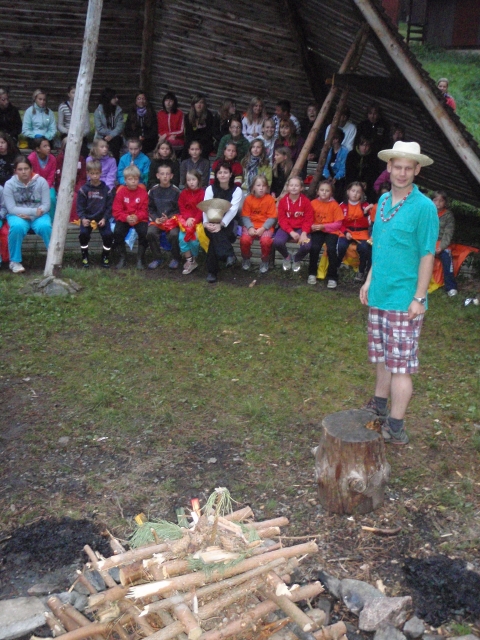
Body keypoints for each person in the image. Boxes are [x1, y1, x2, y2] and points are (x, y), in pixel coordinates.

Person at [360, 140, 438, 445]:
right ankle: (379, 406)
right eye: (397, 167)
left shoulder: (425, 208)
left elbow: (427, 255)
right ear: (389, 167)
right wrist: (369, 280)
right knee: (382, 358)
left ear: (417, 170)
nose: (402, 173)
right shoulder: (381, 202)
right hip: (379, 294)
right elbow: (379, 247)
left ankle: (396, 426)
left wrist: (419, 298)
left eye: (408, 168)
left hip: (405, 301)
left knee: (401, 367)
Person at [3, 156, 52, 273]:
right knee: (17, 227)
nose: (23, 172)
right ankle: (15, 261)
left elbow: (46, 204)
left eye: (26, 168)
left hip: (39, 215)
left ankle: (53, 258)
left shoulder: (41, 182)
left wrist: (33, 215)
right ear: (15, 171)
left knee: (45, 226)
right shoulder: (9, 184)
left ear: (31, 169)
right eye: (20, 169)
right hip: (18, 215)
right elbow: (11, 208)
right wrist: (32, 212)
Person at [200, 162, 243, 283]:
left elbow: (233, 210)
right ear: (216, 175)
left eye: (225, 172)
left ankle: (212, 272)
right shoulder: (210, 189)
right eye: (220, 172)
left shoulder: (237, 190)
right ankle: (229, 255)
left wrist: (221, 224)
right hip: (211, 220)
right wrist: (206, 223)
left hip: (228, 223)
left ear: (230, 174)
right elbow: (206, 207)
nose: (223, 175)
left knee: (216, 236)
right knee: (214, 232)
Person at [77, 159, 114, 268]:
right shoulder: (84, 190)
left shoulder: (106, 189)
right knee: (83, 235)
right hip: (88, 218)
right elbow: (80, 207)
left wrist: (105, 218)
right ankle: (84, 256)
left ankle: (105, 256)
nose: (95, 176)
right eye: (92, 173)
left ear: (101, 173)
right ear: (88, 173)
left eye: (97, 173)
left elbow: (109, 207)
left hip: (102, 218)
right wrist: (83, 218)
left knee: (108, 235)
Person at [273, 175, 313, 273]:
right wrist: (291, 232)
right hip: (286, 228)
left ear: (301, 188)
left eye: (296, 185)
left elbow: (308, 219)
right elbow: (282, 220)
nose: (294, 187)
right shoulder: (283, 201)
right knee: (277, 242)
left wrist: (304, 233)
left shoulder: (306, 202)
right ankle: (287, 256)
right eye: (291, 185)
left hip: (301, 228)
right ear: (287, 187)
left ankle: (296, 258)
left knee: (307, 245)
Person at [112, 164, 149, 269]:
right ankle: (122, 257)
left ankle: (140, 258)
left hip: (139, 218)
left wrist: (137, 217)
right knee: (118, 232)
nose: (133, 181)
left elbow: (145, 210)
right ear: (125, 180)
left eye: (136, 179)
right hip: (125, 218)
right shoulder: (121, 193)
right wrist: (126, 217)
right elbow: (116, 210)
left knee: (144, 232)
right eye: (130, 179)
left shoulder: (143, 193)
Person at [307, 180, 343, 288]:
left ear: (331, 193)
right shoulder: (313, 203)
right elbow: (307, 219)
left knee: (331, 249)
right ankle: (312, 273)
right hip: (317, 231)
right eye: (322, 190)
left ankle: (332, 277)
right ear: (317, 191)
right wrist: (311, 226)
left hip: (331, 231)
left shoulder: (335, 205)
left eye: (327, 191)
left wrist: (324, 227)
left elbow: (338, 223)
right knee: (314, 247)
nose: (324, 192)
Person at [240, 175, 277, 274]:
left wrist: (263, 228)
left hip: (265, 226)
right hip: (251, 225)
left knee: (266, 241)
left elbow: (272, 218)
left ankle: (265, 260)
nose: (261, 188)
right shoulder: (248, 199)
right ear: (253, 187)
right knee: (244, 240)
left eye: (264, 186)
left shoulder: (270, 199)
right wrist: (250, 227)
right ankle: (246, 258)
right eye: (258, 185)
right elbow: (245, 216)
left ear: (267, 188)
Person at [147, 163, 180, 270]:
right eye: (162, 174)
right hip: (157, 221)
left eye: (167, 174)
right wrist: (155, 218)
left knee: (174, 234)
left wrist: (169, 218)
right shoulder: (153, 191)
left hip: (171, 221)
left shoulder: (176, 191)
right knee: (151, 232)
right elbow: (149, 208)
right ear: (157, 176)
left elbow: (179, 210)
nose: (165, 176)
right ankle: (157, 258)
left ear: (171, 176)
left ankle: (176, 258)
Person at [337, 181, 371, 283]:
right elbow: (338, 223)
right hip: (346, 231)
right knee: (341, 246)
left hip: (362, 232)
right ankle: (336, 267)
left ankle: (361, 271)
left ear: (362, 194)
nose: (355, 194)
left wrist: (366, 213)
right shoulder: (342, 205)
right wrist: (345, 232)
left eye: (358, 192)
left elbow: (370, 223)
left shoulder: (366, 206)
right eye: (353, 191)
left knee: (364, 248)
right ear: (348, 192)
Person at [177, 169, 205, 275]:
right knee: (182, 238)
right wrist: (187, 218)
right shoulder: (183, 193)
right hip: (186, 222)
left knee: (194, 240)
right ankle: (189, 260)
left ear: (198, 180)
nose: (191, 182)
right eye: (189, 180)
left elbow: (201, 209)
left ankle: (194, 259)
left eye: (193, 179)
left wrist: (195, 220)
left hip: (198, 222)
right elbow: (182, 207)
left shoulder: (202, 193)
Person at [55, 137, 87, 222]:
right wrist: (66, 188)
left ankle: (77, 220)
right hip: (62, 186)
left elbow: (83, 177)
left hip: (77, 187)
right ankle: (69, 220)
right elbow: (58, 176)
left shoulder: (81, 159)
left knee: (77, 196)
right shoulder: (59, 158)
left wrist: (77, 188)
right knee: (70, 197)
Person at [432, 190, 457, 296]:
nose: (438, 203)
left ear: (445, 202)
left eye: (441, 201)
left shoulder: (448, 216)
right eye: (435, 200)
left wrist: (441, 247)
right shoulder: (427, 212)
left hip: (442, 243)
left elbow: (448, 234)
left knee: (447, 258)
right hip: (428, 242)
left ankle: (451, 287)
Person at [28, 138, 57, 220]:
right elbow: (31, 175)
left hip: (48, 185)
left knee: (51, 198)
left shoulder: (52, 159)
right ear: (38, 149)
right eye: (45, 146)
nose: (48, 148)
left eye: (49, 146)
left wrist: (45, 187)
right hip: (34, 185)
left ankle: (52, 220)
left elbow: (51, 176)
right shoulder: (31, 158)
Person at [57, 85, 90, 156]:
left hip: (80, 135)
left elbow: (87, 128)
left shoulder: (84, 108)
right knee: (69, 148)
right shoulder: (63, 107)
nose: (75, 95)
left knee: (83, 150)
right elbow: (60, 125)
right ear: (68, 94)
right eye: (73, 92)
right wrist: (69, 132)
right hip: (67, 133)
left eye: (78, 92)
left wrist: (79, 134)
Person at [344, 136, 378, 203]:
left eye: (367, 145)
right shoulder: (351, 155)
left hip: (367, 184)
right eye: (362, 145)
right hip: (352, 182)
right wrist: (356, 183)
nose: (364, 148)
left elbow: (373, 172)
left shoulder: (373, 157)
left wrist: (366, 183)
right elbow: (349, 172)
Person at [94, 88, 124, 162]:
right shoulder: (98, 111)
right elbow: (99, 128)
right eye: (114, 97)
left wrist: (112, 135)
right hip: (102, 136)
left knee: (116, 141)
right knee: (102, 144)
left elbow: (120, 126)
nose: (117, 99)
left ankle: (115, 163)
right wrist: (109, 134)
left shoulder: (118, 110)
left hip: (115, 136)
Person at [183, 94, 215, 158]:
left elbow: (209, 132)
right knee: (186, 151)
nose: (199, 105)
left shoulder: (208, 115)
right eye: (197, 102)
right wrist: (193, 143)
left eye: (201, 103)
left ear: (204, 105)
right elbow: (188, 134)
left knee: (203, 151)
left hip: (205, 141)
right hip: (192, 140)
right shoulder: (188, 116)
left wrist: (199, 143)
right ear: (193, 104)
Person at [322, 128, 348, 202]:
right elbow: (324, 166)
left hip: (339, 178)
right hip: (328, 176)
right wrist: (328, 176)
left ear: (336, 139)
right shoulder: (328, 150)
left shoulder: (345, 152)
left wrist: (336, 178)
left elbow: (343, 168)